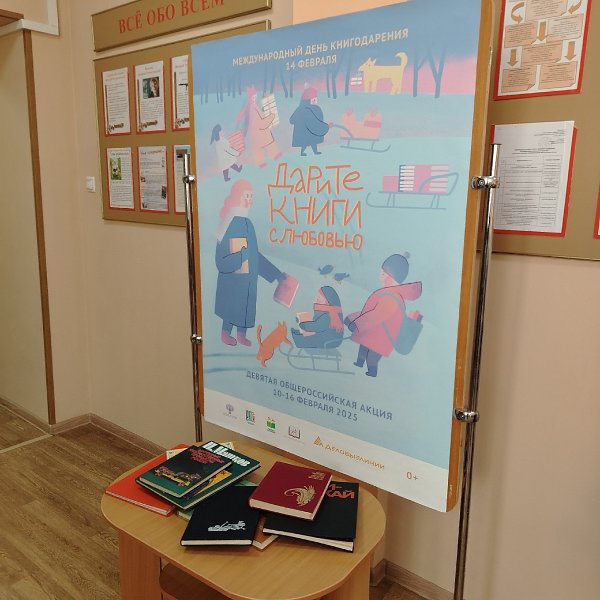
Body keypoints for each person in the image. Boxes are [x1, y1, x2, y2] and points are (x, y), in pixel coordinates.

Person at [215, 179, 286, 347]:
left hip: (248, 279)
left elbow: (254, 255)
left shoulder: (248, 223)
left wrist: (276, 274)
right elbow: (221, 260)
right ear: (237, 197)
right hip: (232, 278)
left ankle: (241, 334)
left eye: (251, 196)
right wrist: (241, 256)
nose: (250, 200)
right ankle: (225, 332)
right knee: (232, 304)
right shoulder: (227, 224)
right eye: (247, 196)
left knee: (245, 305)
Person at [345, 254, 422, 377]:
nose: (380, 275)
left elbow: (376, 315)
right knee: (363, 347)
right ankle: (359, 363)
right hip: (372, 332)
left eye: (382, 273)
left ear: (390, 276)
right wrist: (352, 318)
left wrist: (357, 324)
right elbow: (369, 311)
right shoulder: (386, 293)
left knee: (372, 356)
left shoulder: (391, 297)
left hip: (381, 336)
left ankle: (372, 372)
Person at [235, 85, 282, 168]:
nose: (255, 96)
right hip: (259, 132)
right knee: (262, 145)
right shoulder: (252, 108)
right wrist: (271, 117)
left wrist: (266, 113)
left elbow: (260, 116)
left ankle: (272, 156)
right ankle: (265, 160)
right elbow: (259, 122)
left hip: (258, 132)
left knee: (261, 146)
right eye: (254, 95)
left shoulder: (253, 106)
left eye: (255, 95)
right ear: (252, 97)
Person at [289, 87, 330, 156]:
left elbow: (292, 120)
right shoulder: (309, 109)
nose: (316, 101)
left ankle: (314, 151)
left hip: (309, 132)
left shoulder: (302, 108)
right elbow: (316, 122)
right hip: (305, 132)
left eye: (316, 99)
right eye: (314, 99)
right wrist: (326, 126)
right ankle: (303, 152)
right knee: (307, 141)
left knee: (312, 141)